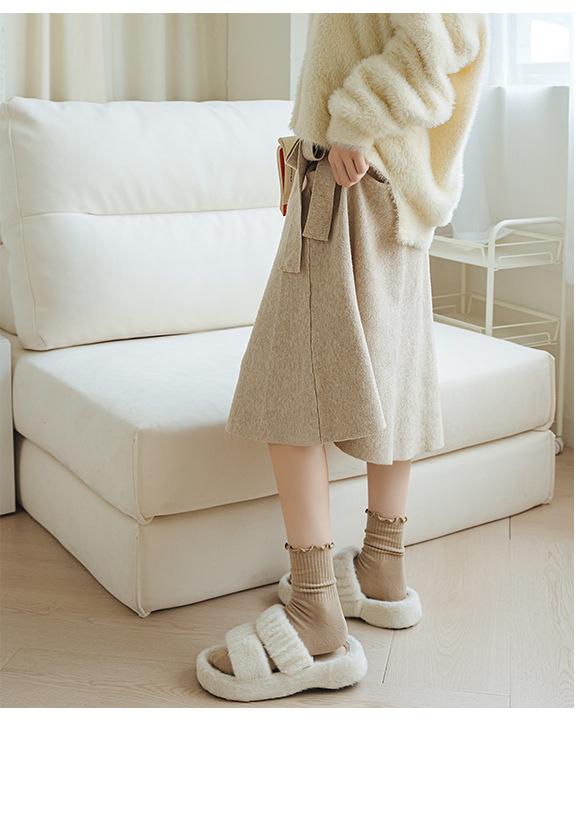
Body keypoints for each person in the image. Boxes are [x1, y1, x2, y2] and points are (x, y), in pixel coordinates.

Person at [196, 12, 488, 701]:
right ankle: (381, 566)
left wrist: (353, 123)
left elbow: (443, 39)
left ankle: (315, 611)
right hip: (393, 188)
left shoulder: (357, 137)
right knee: (392, 375)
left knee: (287, 388)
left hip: (352, 177)